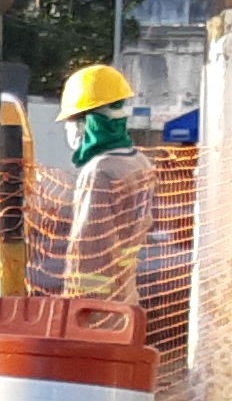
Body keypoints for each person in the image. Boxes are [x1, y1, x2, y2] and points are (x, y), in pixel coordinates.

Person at [45, 61, 156, 308]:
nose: (69, 128)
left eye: (74, 120)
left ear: (91, 123)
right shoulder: (140, 162)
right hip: (126, 294)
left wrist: (77, 301)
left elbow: (89, 243)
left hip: (96, 306)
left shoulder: (99, 171)